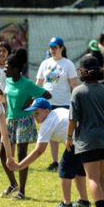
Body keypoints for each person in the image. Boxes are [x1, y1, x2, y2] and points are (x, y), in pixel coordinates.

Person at [67, 55, 104, 207]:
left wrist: (69, 137)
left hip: (88, 140)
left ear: (83, 71)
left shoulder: (78, 91)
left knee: (93, 177)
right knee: (101, 176)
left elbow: (73, 119)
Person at [14, 97, 90, 207]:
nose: (35, 117)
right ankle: (84, 201)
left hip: (76, 142)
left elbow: (39, 150)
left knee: (64, 170)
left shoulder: (47, 123)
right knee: (78, 171)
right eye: (33, 114)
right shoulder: (57, 111)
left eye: (37, 113)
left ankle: (66, 203)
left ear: (46, 111)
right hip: (86, 139)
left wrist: (20, 166)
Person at [3, 52, 50, 199]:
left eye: (7, 67)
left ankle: (22, 191)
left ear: (16, 69)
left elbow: (47, 95)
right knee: (2, 152)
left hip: (24, 120)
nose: (4, 69)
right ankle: (13, 183)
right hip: (10, 120)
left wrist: (32, 101)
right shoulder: (8, 81)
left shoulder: (27, 84)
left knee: (21, 154)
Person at [36, 37, 80, 172]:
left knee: (68, 133)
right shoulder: (45, 63)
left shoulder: (68, 64)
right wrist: (36, 100)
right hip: (47, 105)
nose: (53, 50)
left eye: (55, 47)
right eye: (51, 47)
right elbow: (39, 83)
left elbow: (74, 85)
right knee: (51, 134)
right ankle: (55, 161)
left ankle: (70, 159)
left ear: (61, 48)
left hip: (64, 103)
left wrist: (77, 102)